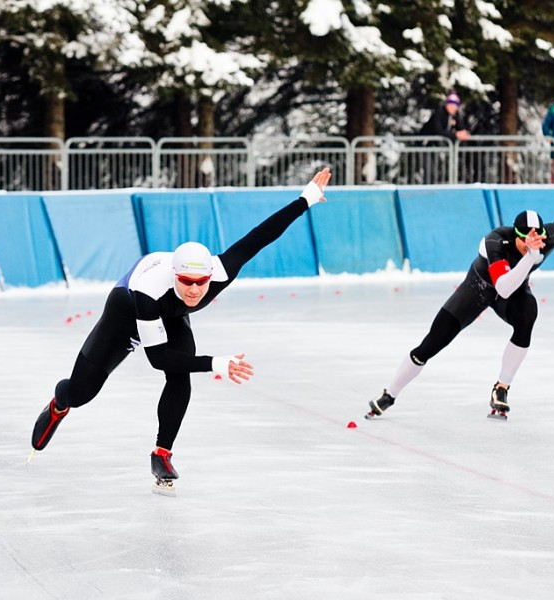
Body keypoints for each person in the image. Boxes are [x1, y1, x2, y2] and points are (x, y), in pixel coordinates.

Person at [31, 168, 333, 494]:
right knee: (81, 393)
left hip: (171, 315)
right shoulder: (149, 292)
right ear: (175, 276)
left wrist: (306, 199)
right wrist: (215, 362)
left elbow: (261, 235)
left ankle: (161, 453)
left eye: (200, 283)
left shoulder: (220, 271)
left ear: (209, 277)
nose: (193, 290)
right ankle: (59, 404)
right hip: (126, 312)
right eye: (186, 282)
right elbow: (158, 358)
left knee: (180, 376)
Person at [366, 172, 554, 421]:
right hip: (478, 288)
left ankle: (502, 387)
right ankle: (390, 394)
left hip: (512, 291)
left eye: (538, 237)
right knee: (432, 343)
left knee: (528, 312)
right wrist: (530, 256)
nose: (534, 242)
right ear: (517, 236)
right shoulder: (496, 242)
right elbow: (503, 287)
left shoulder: (547, 238)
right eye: (526, 239)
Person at [418, 92, 470, 183]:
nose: (455, 108)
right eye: (453, 105)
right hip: (425, 145)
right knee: (429, 171)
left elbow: (460, 127)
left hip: (434, 146)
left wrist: (463, 132)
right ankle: (428, 190)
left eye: (457, 105)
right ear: (448, 104)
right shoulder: (439, 113)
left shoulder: (454, 115)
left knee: (435, 171)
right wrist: (455, 135)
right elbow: (438, 130)